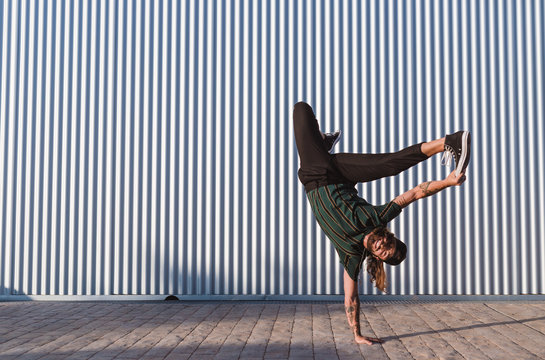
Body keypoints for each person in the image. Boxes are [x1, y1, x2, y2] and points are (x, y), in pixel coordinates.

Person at [292, 101, 470, 345]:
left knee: (301, 109)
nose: (384, 247)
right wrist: (447, 182)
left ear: (377, 258)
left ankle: (323, 144)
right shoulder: (376, 218)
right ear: (389, 238)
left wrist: (356, 334)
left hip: (314, 174)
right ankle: (448, 142)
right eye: (390, 245)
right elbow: (416, 193)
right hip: (341, 173)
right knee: (389, 164)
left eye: (385, 254)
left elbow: (351, 299)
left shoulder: (351, 253)